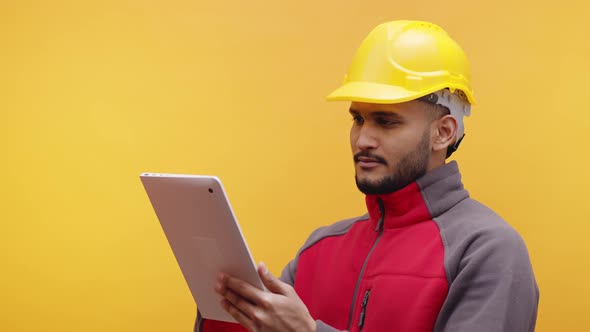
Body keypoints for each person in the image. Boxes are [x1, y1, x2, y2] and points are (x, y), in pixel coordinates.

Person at [194, 20, 539, 332]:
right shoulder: (319, 249)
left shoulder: (487, 251)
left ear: (443, 133)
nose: (363, 139)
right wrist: (222, 305)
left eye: (386, 121)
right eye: (357, 119)